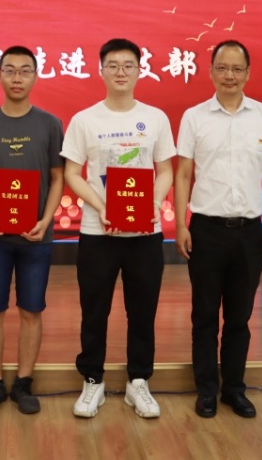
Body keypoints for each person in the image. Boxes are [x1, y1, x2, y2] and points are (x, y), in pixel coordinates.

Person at [60, 37, 175, 419]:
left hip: (145, 235)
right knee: (94, 311)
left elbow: (165, 170)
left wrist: (152, 204)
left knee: (142, 311)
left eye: (128, 65)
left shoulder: (156, 118)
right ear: (101, 70)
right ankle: (92, 380)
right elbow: (72, 173)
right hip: (98, 233)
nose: (121, 71)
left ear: (140, 70)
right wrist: (101, 206)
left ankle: (137, 381)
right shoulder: (85, 120)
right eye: (113, 65)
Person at [173, 39, 262, 420]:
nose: (230, 76)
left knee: (239, 317)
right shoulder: (194, 117)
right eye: (222, 68)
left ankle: (234, 390)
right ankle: (207, 390)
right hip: (205, 230)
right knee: (204, 316)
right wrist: (180, 224)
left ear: (248, 73)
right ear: (210, 72)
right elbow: (184, 173)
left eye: (237, 69)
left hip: (249, 233)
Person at [0, 45, 64, 416]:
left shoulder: (50, 124)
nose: (17, 77)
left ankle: (23, 382)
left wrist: (46, 220)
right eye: (10, 70)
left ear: (35, 76)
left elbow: (58, 178)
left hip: (36, 238)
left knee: (31, 311)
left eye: (25, 70)